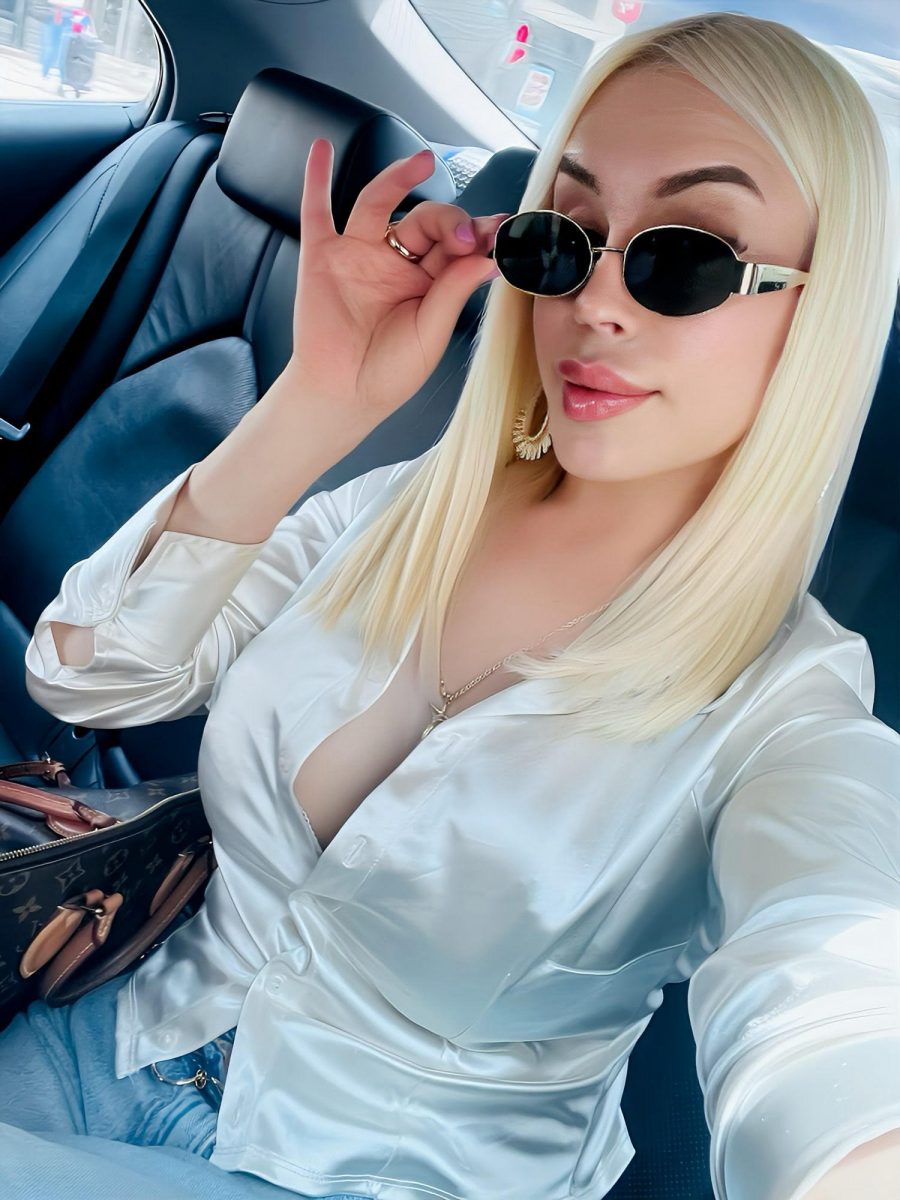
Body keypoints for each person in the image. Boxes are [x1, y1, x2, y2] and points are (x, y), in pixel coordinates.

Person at [5, 10, 899, 1200]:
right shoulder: (400, 509)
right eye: (564, 237)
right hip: (104, 1037)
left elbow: (833, 994)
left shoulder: (789, 707)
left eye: (686, 256)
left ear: (820, 311)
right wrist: (318, 402)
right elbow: (86, 676)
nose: (597, 303)